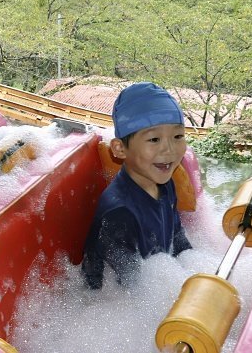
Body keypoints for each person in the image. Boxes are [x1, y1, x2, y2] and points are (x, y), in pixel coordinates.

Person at [81, 82, 193, 289]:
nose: (169, 150)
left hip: (152, 282)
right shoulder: (119, 213)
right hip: (108, 302)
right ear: (120, 148)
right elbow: (130, 288)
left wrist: (194, 267)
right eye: (154, 139)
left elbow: (178, 238)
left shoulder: (165, 183)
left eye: (178, 136)